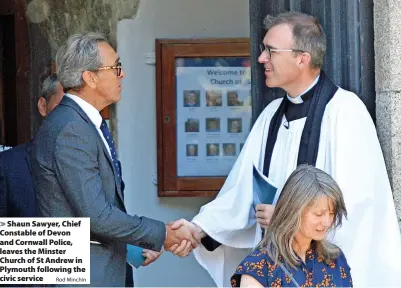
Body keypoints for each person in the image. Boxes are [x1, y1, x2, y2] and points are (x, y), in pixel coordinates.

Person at [171, 12, 401, 287]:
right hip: (274, 271)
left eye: (271, 51)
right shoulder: (271, 116)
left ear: (302, 58)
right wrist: (198, 229)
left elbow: (357, 207)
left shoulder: (345, 112)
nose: (261, 59)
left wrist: (289, 216)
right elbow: (241, 194)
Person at [31, 33, 198, 287]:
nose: (122, 74)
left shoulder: (81, 123)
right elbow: (96, 215)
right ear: (90, 77)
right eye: (115, 67)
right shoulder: (71, 128)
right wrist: (163, 233)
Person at [231, 164, 352, 287]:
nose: (327, 222)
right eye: (319, 214)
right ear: (294, 211)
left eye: (331, 213)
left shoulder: (335, 259)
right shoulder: (258, 267)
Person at [0, 74, 63, 218]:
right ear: (43, 106)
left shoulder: (101, 164)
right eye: (64, 108)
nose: (72, 120)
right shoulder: (8, 166)